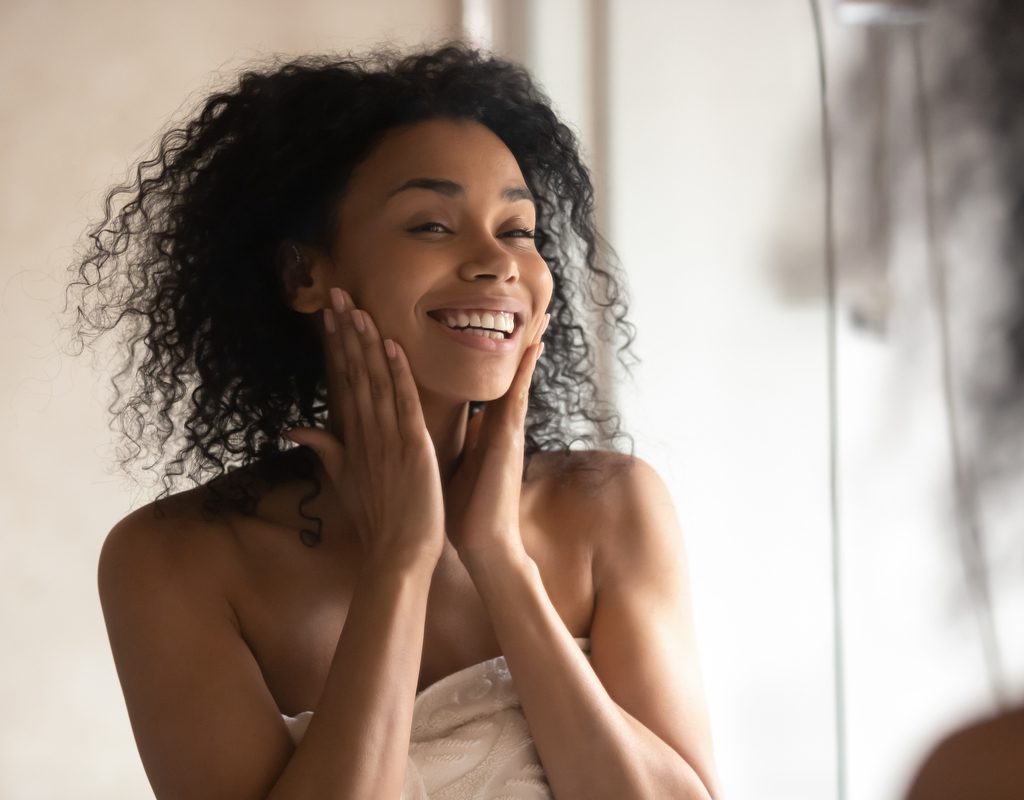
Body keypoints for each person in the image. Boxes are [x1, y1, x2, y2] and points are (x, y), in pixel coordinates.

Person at [66, 42, 721, 799]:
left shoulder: (614, 505)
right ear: (305, 274)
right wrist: (399, 566)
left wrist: (500, 560)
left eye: (518, 229)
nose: (498, 263)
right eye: (432, 226)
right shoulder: (174, 562)